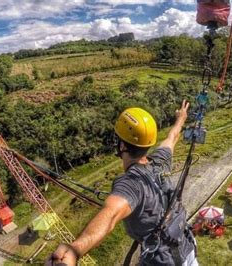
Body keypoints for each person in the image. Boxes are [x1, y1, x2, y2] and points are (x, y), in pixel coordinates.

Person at [47, 101, 197, 265]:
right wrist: (181, 117)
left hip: (164, 261)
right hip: (186, 247)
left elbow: (111, 214)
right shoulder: (160, 162)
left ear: (122, 145)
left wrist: (75, 250)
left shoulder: (130, 183)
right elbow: (172, 136)